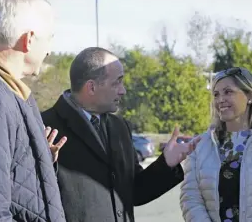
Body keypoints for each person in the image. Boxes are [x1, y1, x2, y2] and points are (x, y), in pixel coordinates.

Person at [41, 47, 201, 222]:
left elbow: (135, 192)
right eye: (117, 82)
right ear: (91, 87)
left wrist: (167, 163)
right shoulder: (43, 127)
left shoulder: (119, 127)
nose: (123, 90)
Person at [0, 0, 67, 221]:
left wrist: (38, 159)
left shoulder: (5, 92)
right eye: (49, 39)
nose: (49, 50)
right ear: (28, 40)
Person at [180, 67, 252, 222]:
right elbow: (190, 197)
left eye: (228, 92)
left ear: (250, 96)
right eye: (216, 94)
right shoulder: (200, 145)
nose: (220, 99)